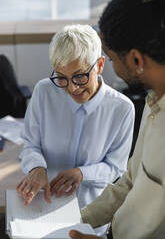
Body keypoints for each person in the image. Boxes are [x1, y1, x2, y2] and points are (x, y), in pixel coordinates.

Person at [16, 24, 134, 234]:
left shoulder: (122, 109)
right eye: (61, 77)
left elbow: (117, 168)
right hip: (43, 207)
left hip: (92, 213)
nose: (71, 88)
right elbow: (30, 144)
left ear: (99, 65)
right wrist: (36, 168)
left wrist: (82, 173)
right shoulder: (44, 91)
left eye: (79, 76)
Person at [69, 0, 165, 238]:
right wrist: (79, 220)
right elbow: (131, 179)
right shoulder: (153, 101)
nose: (110, 69)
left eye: (110, 59)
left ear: (135, 59)